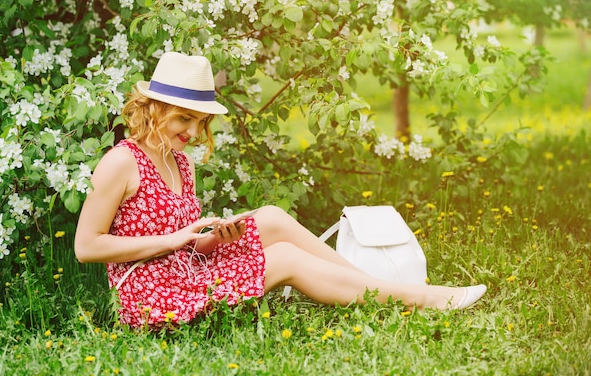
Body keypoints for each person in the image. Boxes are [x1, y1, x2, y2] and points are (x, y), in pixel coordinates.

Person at [74, 52, 487, 330]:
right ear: (154, 108)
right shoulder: (121, 162)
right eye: (185, 119)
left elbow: (182, 246)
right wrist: (177, 239)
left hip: (187, 270)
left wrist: (207, 239)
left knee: (268, 216)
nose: (195, 133)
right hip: (150, 295)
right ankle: (417, 299)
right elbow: (86, 247)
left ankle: (373, 287)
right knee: (285, 258)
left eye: (201, 122)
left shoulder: (181, 161)